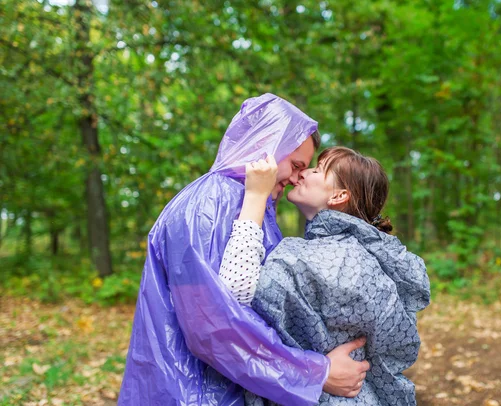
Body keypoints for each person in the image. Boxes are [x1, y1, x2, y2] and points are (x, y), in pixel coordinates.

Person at [119, 94, 369, 406]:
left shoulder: (250, 202)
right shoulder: (210, 204)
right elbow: (212, 326)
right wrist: (315, 373)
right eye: (295, 165)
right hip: (192, 393)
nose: (296, 179)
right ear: (265, 145)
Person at [219, 147, 431, 405]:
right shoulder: (361, 252)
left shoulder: (326, 258)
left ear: (339, 195)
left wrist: (255, 196)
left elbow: (233, 298)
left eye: (318, 170)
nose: (304, 173)